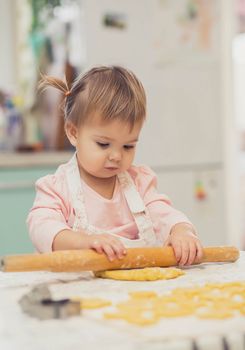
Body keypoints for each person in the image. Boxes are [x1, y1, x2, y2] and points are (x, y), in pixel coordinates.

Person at [27, 66, 203, 266]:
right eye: (103, 144)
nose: (117, 156)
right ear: (73, 133)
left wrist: (181, 230)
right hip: (76, 288)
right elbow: (41, 227)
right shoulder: (57, 187)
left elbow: (163, 214)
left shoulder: (139, 182)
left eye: (128, 146)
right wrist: (82, 242)